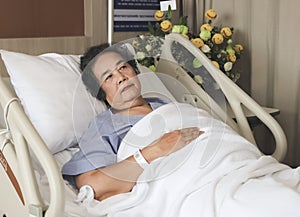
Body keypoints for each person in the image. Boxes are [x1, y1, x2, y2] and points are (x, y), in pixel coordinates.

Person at [61, 42, 204, 201]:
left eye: (123, 67)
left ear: (135, 72)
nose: (121, 77)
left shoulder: (167, 105)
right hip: (188, 186)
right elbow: (93, 185)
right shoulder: (104, 126)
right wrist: (154, 150)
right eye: (109, 76)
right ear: (100, 91)